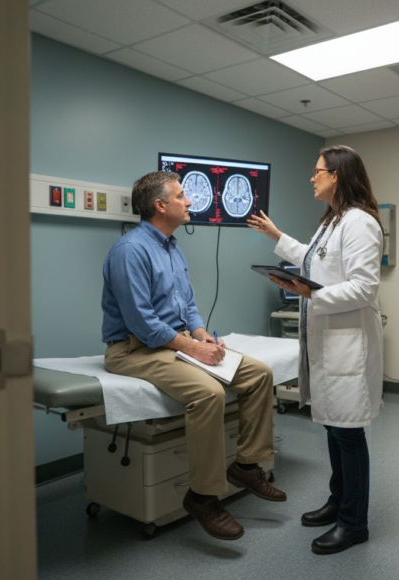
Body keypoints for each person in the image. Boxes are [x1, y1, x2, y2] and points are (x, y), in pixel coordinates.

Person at [102, 170, 285, 541]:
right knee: (208, 393)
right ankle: (202, 496)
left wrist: (203, 337)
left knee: (259, 374)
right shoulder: (130, 250)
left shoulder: (172, 248)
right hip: (134, 349)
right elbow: (142, 322)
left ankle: (247, 465)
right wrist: (192, 347)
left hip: (174, 341)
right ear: (160, 205)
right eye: (181, 196)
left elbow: (187, 305)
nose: (189, 202)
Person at [247, 145, 384, 555]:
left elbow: (364, 287)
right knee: (332, 427)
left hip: (348, 345)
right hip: (327, 342)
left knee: (348, 433)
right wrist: (276, 237)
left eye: (317, 171)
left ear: (337, 175)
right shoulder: (333, 221)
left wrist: (311, 293)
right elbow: (313, 260)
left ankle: (354, 523)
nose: (312, 177)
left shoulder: (360, 223)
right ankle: (338, 501)